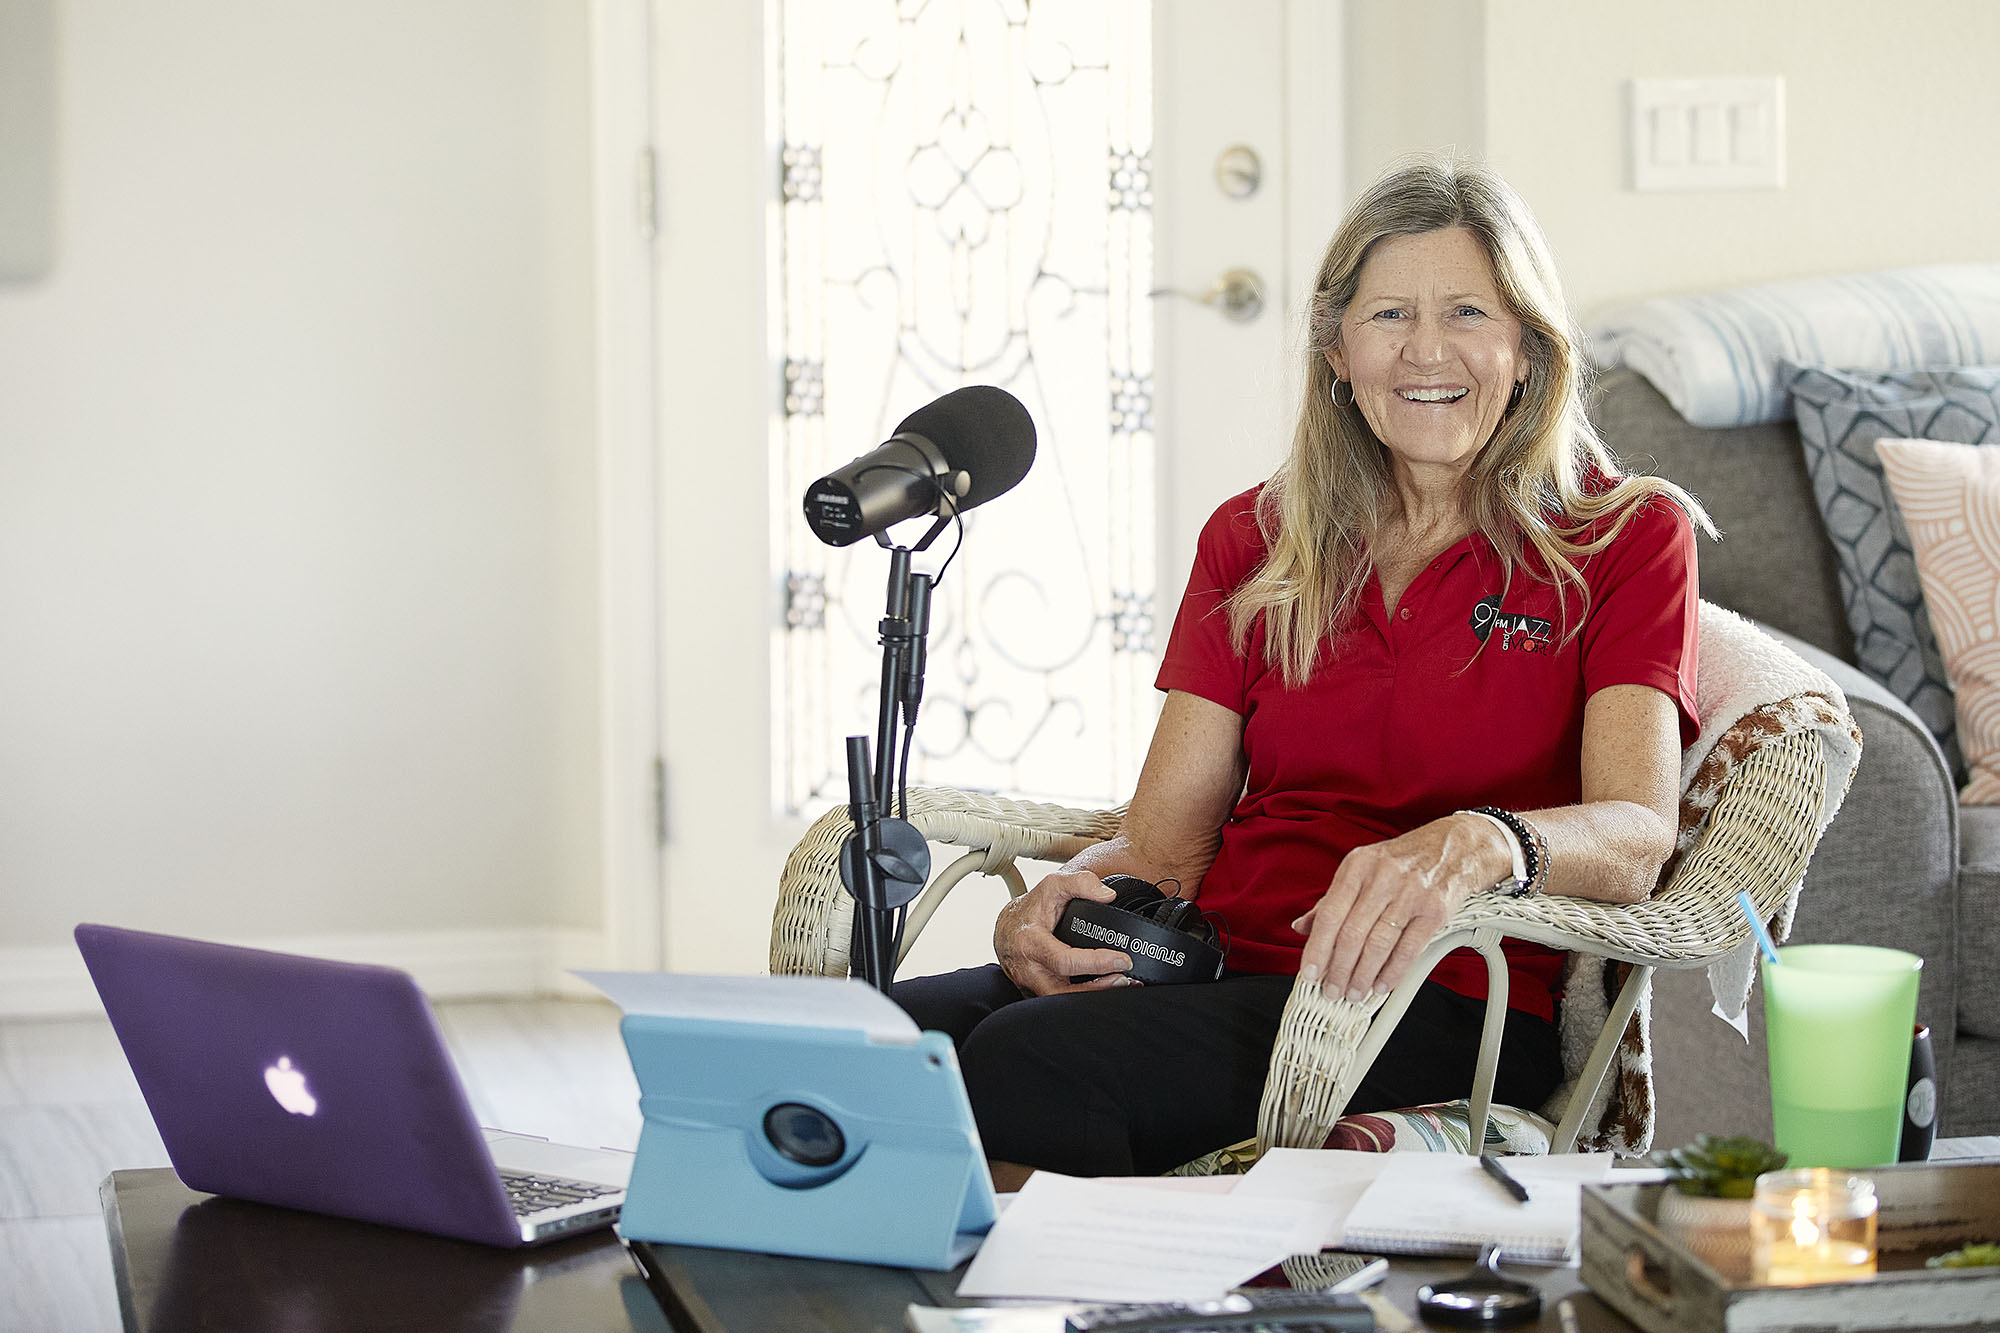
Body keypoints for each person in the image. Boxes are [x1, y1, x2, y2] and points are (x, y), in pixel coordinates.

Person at [894, 153, 1712, 1187]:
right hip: (1213, 964)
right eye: (1385, 318)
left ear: (1524, 347)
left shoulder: (1624, 533)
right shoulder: (1253, 537)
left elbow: (1636, 832)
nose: (1425, 352)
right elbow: (1166, 840)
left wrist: (1473, 842)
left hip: (1445, 992)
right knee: (866, 1040)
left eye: (1467, 310)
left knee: (1027, 1069)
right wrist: (1054, 904)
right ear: (1334, 347)